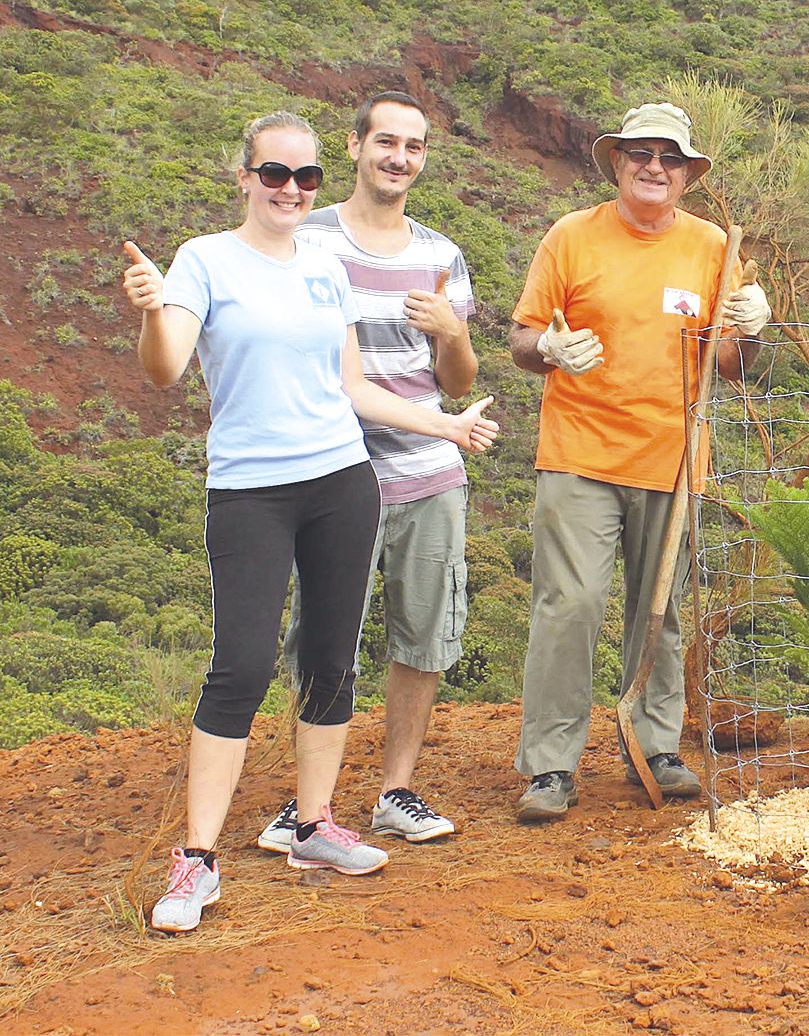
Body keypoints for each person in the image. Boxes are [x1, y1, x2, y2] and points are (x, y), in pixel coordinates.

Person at [121, 111, 498, 935]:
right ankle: (197, 859)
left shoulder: (325, 266)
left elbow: (352, 387)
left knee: (332, 658)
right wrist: (152, 309)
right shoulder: (204, 260)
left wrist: (446, 426)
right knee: (243, 662)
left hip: (341, 480)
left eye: (305, 177)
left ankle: (314, 823)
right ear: (244, 176)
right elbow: (165, 369)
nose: (289, 189)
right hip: (252, 489)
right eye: (273, 173)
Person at [506, 102, 768, 822]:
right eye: (641, 154)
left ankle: (653, 745)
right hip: (580, 452)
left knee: (661, 610)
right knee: (571, 606)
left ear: (686, 174)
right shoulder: (572, 237)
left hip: (674, 458)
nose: (655, 167)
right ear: (617, 162)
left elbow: (730, 363)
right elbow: (523, 337)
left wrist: (751, 331)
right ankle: (551, 766)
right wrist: (549, 350)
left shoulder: (713, 245)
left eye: (670, 158)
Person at [255, 92, 477, 855]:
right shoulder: (306, 234)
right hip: (327, 468)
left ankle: (394, 790)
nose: (399, 157)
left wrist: (451, 333)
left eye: (413, 147)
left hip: (426, 471)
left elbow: (455, 378)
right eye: (386, 141)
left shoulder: (441, 255)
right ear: (353, 147)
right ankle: (308, 801)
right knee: (321, 632)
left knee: (422, 632)